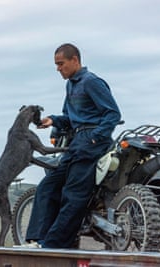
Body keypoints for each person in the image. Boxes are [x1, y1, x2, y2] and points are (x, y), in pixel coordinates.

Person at [25, 43, 121, 248]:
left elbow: (113, 113)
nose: (58, 68)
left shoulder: (91, 82)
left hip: (92, 143)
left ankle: (53, 245)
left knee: (73, 194)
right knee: (47, 186)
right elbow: (69, 117)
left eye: (61, 64)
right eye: (56, 65)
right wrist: (53, 120)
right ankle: (38, 239)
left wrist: (96, 137)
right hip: (75, 142)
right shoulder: (70, 85)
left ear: (75, 60)